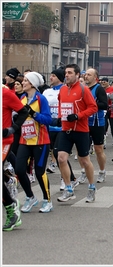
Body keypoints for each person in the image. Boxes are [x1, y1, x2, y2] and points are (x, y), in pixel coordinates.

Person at [56, 63, 98, 203]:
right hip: (65, 130)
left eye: (69, 73)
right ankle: (68, 189)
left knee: (84, 161)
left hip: (81, 130)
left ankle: (92, 187)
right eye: (65, 73)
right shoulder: (62, 90)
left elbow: (93, 108)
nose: (66, 75)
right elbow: (61, 105)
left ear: (77, 75)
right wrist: (59, 117)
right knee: (61, 158)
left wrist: (78, 116)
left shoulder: (83, 89)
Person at [16, 71, 53, 213]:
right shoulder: (22, 99)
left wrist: (33, 114)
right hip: (24, 140)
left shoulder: (41, 99)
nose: (23, 83)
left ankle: (47, 200)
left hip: (40, 141)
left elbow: (48, 119)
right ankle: (30, 197)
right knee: (19, 169)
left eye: (25, 80)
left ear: (32, 84)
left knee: (39, 172)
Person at [43, 67, 79, 191]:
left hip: (62, 127)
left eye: (53, 75)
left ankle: (65, 179)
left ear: (59, 78)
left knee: (60, 155)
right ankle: (72, 178)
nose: (50, 77)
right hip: (49, 126)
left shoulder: (65, 90)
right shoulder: (46, 92)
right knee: (54, 153)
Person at [2, 85, 29, 230]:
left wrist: (12, 128)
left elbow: (23, 112)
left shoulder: (6, 94)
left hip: (4, 141)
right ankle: (7, 180)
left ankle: (11, 208)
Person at [76, 68, 108, 184]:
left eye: (89, 75)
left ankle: (102, 171)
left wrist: (90, 104)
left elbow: (104, 105)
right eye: (85, 75)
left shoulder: (99, 89)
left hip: (97, 122)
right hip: (83, 122)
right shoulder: (81, 89)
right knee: (81, 150)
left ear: (95, 77)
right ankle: (84, 172)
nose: (86, 76)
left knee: (98, 149)